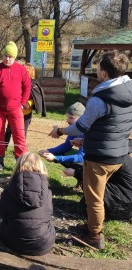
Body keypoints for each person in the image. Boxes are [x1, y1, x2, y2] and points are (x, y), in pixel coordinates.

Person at [48, 51, 132, 249]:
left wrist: (60, 131)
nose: (96, 70)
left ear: (103, 72)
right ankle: (93, 226)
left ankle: (94, 236)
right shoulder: (128, 90)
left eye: (98, 67)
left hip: (99, 158)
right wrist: (86, 139)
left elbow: (80, 125)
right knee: (98, 194)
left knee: (94, 198)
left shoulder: (100, 98)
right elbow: (112, 124)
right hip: (120, 153)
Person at [0, 41, 31, 171]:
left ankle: (20, 161)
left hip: (15, 109)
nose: (7, 59)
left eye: (10, 56)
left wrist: (22, 103)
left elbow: (27, 87)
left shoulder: (21, 70)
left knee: (19, 134)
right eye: (6, 56)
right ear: (3, 56)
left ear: (14, 57)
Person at [0, 152, 55, 255]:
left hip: (12, 240)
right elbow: (49, 214)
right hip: (42, 245)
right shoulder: (48, 192)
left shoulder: (9, 189)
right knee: (49, 226)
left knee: (4, 225)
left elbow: (2, 212)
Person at [39, 102, 85, 188]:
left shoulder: (88, 131)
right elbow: (66, 146)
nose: (67, 120)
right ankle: (81, 179)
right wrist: (49, 151)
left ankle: (83, 178)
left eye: (71, 118)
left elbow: (81, 157)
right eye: (67, 117)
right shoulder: (74, 129)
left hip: (94, 164)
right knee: (57, 153)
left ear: (82, 118)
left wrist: (56, 158)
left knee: (60, 157)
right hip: (84, 159)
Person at [5, 63, 46, 148]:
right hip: (14, 112)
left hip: (26, 113)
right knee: (9, 130)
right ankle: (3, 146)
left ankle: (20, 149)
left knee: (22, 132)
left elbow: (37, 99)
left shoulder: (33, 85)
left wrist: (28, 104)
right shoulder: (16, 82)